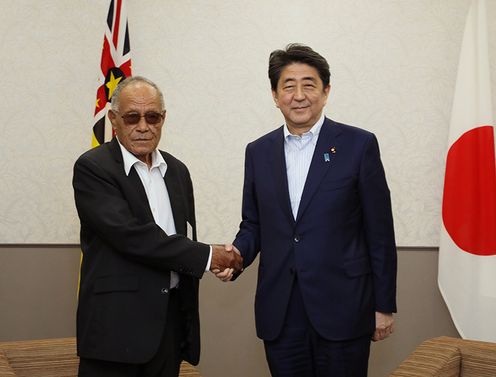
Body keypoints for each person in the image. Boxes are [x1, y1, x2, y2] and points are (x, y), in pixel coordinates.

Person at [221, 44, 397, 376]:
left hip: (344, 308)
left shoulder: (359, 145)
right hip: (281, 312)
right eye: (288, 86)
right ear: (275, 95)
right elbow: (254, 224)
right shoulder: (258, 152)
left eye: (309, 84)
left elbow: (380, 232)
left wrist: (384, 305)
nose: (299, 95)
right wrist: (236, 255)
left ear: (326, 91)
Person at [73, 76, 242, 377]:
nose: (143, 126)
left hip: (168, 327)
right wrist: (208, 257)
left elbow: (183, 236)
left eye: (152, 117)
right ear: (114, 119)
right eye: (132, 117)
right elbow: (132, 237)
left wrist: (217, 261)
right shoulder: (93, 168)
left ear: (163, 119)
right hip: (115, 330)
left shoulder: (177, 171)